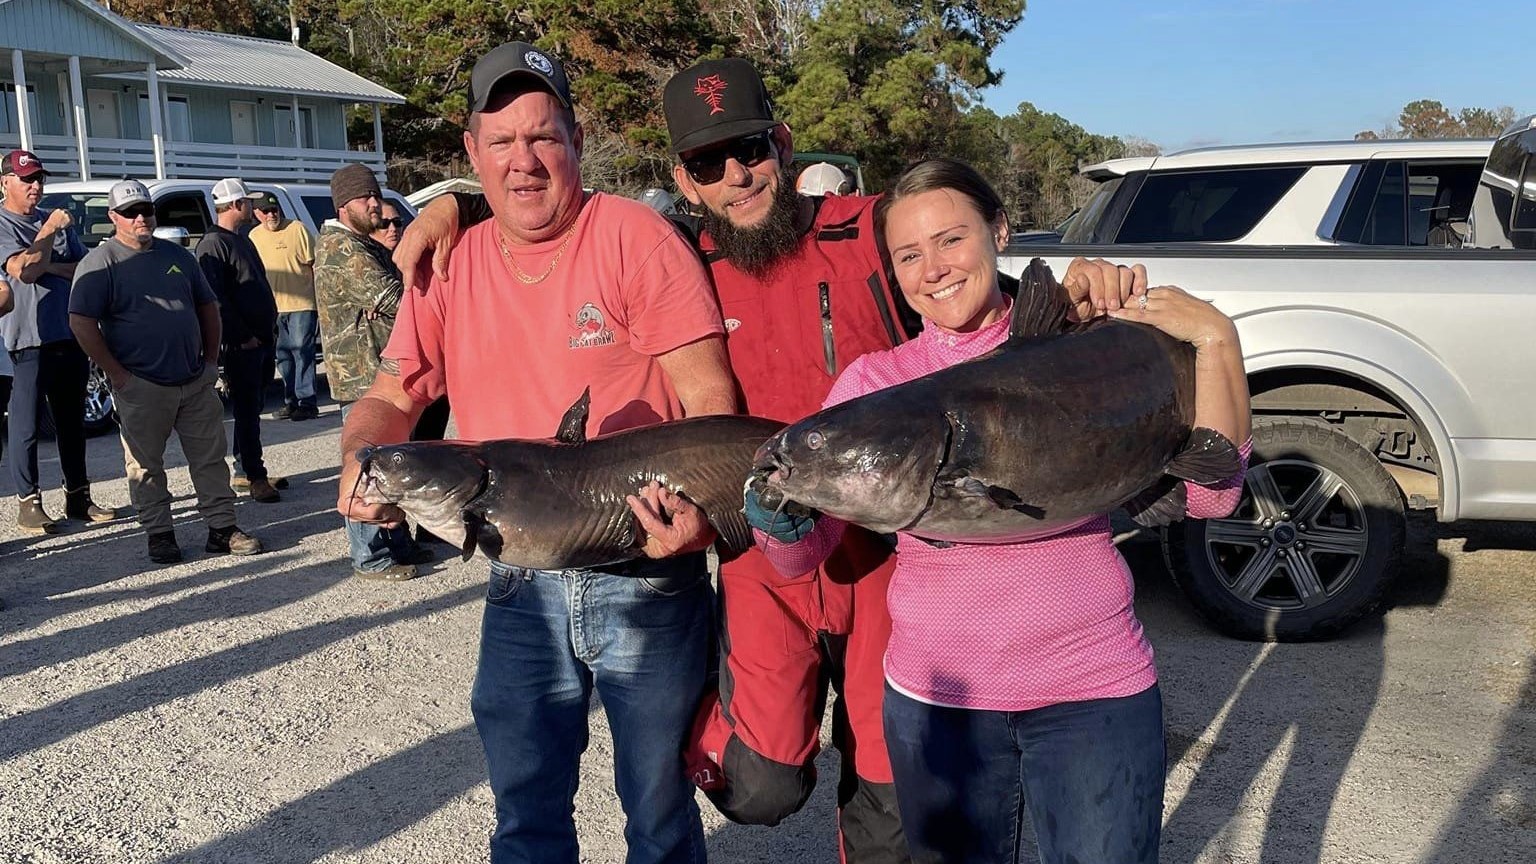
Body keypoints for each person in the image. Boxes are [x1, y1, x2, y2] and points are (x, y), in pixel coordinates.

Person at [395, 56, 1148, 864]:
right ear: (685, 182)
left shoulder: (868, 232)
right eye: (708, 164)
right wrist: (457, 206)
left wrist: (1080, 294)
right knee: (753, 786)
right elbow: (538, 185)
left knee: (889, 793)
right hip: (764, 553)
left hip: (883, 550)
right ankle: (694, 702)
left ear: (782, 145)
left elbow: (973, 297)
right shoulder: (680, 257)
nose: (737, 177)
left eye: (750, 149)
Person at [748, 158, 1253, 864]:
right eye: (909, 255)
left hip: (1094, 694)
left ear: (1000, 233)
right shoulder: (873, 385)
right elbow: (804, 551)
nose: (934, 269)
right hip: (938, 706)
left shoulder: (1088, 344)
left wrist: (1216, 341)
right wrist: (778, 514)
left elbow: (1211, 493)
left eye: (951, 240)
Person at [342, 42, 736, 863]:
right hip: (519, 576)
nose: (524, 161)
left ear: (577, 142)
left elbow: (709, 405)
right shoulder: (450, 262)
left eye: (544, 137)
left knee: (660, 814)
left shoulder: (636, 237)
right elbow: (391, 396)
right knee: (525, 813)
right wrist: (363, 457)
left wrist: (701, 526)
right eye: (503, 141)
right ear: (472, 152)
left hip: (645, 568)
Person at [68, 180, 264, 564]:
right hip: (141, 384)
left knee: (210, 458)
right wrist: (117, 374)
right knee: (145, 465)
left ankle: (222, 529)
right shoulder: (100, 262)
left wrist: (209, 363)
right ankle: (159, 534)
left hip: (193, 379)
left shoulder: (177, 256)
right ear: (113, 218)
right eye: (129, 212)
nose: (140, 217)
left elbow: (208, 307)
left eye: (145, 209)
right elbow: (81, 322)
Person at [315, 164, 437, 581]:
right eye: (365, 198)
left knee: (395, 463)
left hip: (380, 374)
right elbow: (396, 299)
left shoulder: (361, 245)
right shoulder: (342, 250)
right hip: (363, 376)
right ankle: (370, 556)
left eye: (375, 194)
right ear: (344, 205)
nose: (375, 203)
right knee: (366, 469)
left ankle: (399, 543)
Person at [0, 149, 114, 533]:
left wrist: (42, 260)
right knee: (26, 424)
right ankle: (29, 502)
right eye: (27, 179)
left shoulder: (58, 225)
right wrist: (46, 233)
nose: (36, 186)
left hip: (67, 332)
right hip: (26, 338)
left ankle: (78, 495)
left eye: (39, 178)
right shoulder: (5, 224)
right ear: (5, 183)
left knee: (71, 421)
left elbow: (81, 268)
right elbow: (24, 273)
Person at [195, 178, 281, 503]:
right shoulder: (213, 244)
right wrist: (241, 337)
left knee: (254, 407)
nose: (252, 207)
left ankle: (245, 468)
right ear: (235, 205)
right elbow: (215, 298)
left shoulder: (240, 238)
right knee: (246, 410)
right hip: (242, 345)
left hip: (260, 340)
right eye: (247, 202)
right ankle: (255, 477)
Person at [249, 192, 320, 422]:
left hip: (301, 303)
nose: (272, 214)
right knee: (284, 357)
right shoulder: (254, 236)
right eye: (266, 211)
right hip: (272, 308)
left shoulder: (297, 229)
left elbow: (315, 264)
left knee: (303, 352)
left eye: (275, 209)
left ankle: (307, 402)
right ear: (257, 214)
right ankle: (291, 401)